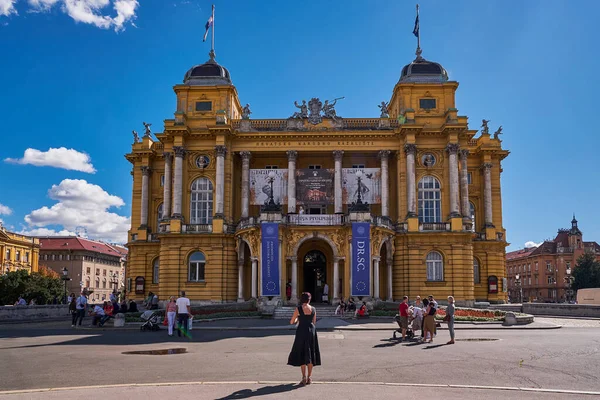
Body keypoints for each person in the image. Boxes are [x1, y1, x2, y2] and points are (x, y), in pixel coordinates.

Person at [287, 292, 321, 385]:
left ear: (301, 299)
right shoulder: (313, 309)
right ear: (309, 299)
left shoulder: (298, 309)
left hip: (301, 331)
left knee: (302, 353)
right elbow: (314, 322)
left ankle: (303, 377)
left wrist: (298, 319)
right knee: (310, 353)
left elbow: (291, 321)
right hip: (311, 332)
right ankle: (310, 377)